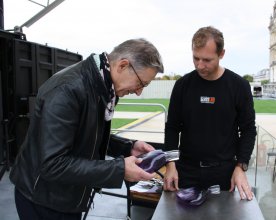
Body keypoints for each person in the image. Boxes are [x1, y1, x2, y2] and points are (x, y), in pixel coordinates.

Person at [9, 38, 164, 220]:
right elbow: (53, 164)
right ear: (122, 65)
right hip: (44, 201)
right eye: (141, 83)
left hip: (68, 196)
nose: (139, 92)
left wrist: (127, 147)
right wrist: (120, 169)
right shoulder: (67, 90)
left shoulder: (101, 84)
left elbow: (87, 133)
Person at [163, 26, 256, 201]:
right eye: (195, 58)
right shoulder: (182, 85)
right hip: (186, 170)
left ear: (222, 54)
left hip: (223, 173)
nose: (200, 65)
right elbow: (173, 127)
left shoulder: (239, 86)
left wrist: (240, 166)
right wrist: (170, 164)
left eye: (207, 60)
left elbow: (248, 129)